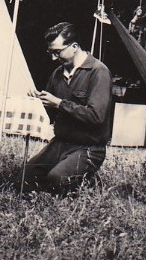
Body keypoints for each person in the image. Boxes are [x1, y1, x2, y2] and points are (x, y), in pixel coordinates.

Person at [24, 22, 113, 195]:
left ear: (74, 47)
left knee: (57, 180)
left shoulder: (98, 72)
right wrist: (38, 101)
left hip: (88, 147)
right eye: (50, 52)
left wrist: (59, 103)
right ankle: (69, 172)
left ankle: (89, 181)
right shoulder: (58, 73)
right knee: (24, 179)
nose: (53, 58)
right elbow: (49, 113)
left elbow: (96, 116)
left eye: (57, 52)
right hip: (60, 143)